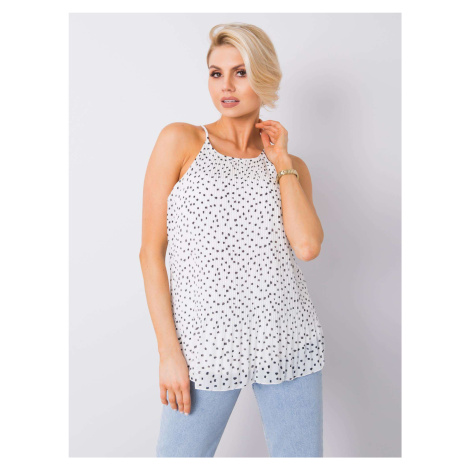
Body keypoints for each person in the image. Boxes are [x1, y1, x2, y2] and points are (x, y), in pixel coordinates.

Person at [139, 22, 325, 458]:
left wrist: (281, 160)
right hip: (203, 346)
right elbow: (150, 253)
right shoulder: (181, 141)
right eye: (216, 73)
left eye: (240, 72)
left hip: (286, 338)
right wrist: (169, 353)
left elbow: (307, 247)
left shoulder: (290, 165)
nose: (226, 85)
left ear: (264, 77)